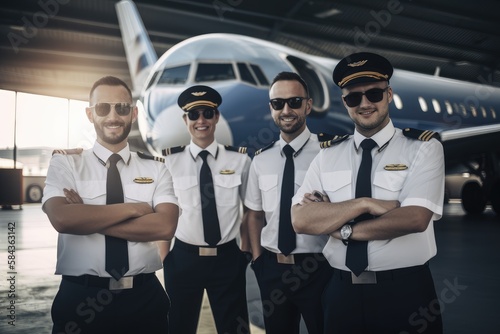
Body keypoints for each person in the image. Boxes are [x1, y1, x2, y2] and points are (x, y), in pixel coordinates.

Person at [291, 52, 445, 333]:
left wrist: (342, 229)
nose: (364, 104)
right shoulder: (327, 157)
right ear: (344, 102)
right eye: (353, 97)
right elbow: (301, 220)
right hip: (341, 292)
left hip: (406, 293)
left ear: (389, 94)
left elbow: (414, 219)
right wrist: (364, 204)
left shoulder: (423, 148)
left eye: (373, 94)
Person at [42, 76, 179, 333]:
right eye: (103, 108)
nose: (113, 116)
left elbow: (165, 226)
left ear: (134, 113)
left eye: (122, 108)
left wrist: (88, 216)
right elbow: (62, 219)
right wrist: (136, 209)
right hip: (81, 300)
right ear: (90, 113)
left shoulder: (157, 167)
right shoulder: (66, 164)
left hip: (144, 298)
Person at [244, 71, 333, 334]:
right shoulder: (260, 160)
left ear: (308, 105)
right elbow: (254, 214)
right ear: (270, 108)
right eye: (278, 103)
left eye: (294, 102)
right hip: (273, 269)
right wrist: (259, 261)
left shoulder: (329, 153)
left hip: (319, 267)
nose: (286, 109)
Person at [159, 85, 251, 334]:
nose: (201, 120)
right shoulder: (169, 162)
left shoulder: (239, 160)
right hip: (183, 259)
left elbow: (251, 210)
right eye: (194, 114)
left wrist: (245, 252)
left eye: (207, 113)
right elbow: (162, 213)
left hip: (228, 259)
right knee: (178, 326)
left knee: (235, 329)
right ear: (185, 119)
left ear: (217, 117)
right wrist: (165, 258)